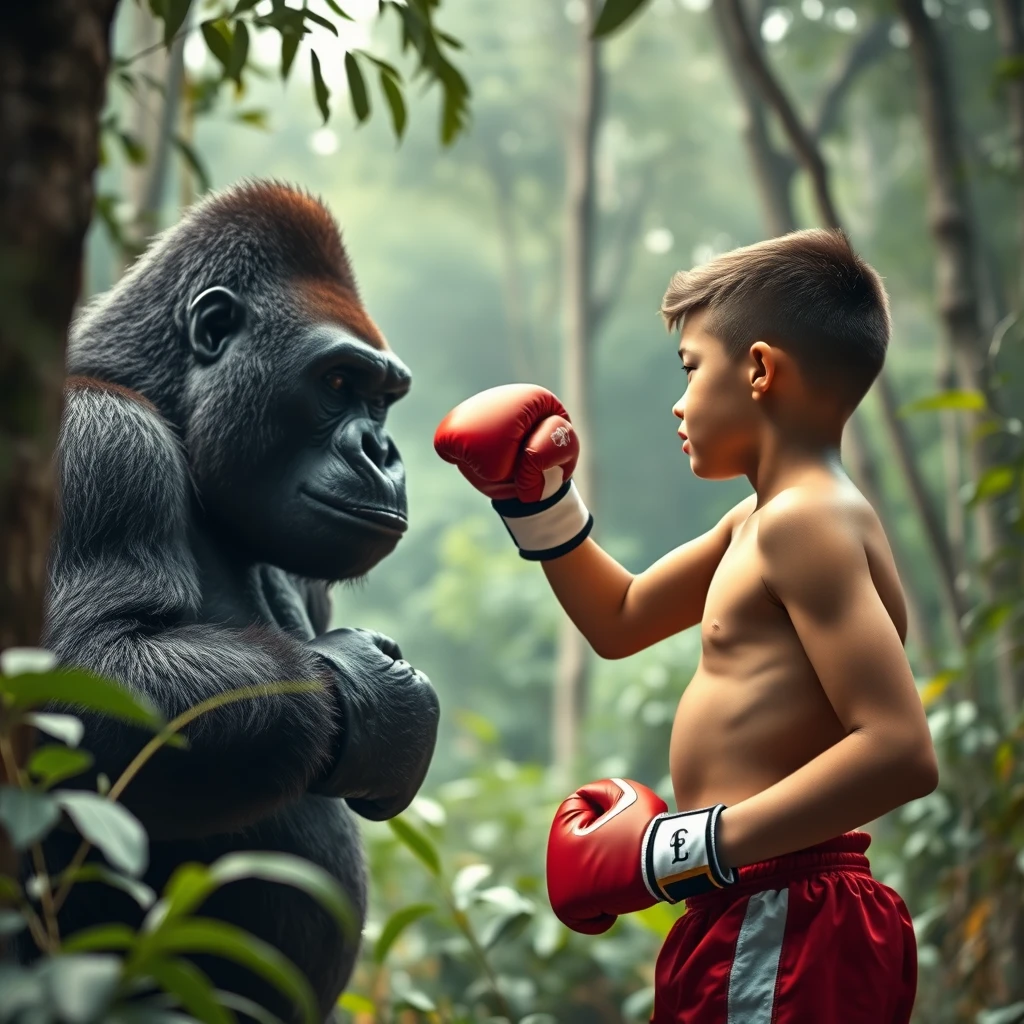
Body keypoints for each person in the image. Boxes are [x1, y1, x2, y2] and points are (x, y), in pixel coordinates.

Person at [433, 228, 938, 1023]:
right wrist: (537, 501)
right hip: (752, 905)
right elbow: (621, 616)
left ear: (762, 370)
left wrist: (672, 851)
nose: (679, 398)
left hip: (786, 909)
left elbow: (899, 751)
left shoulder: (805, 523)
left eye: (692, 368)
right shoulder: (759, 520)